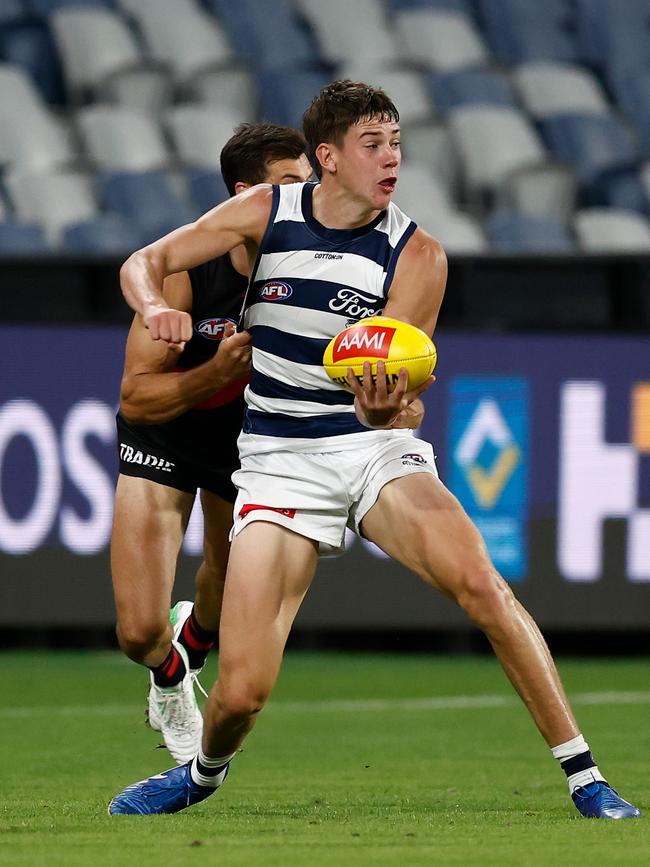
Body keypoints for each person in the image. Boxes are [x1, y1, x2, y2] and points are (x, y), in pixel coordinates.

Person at [108, 81, 640, 820]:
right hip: (278, 461)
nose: (392, 158)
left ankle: (586, 776)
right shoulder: (265, 213)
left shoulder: (417, 254)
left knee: (482, 585)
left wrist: (388, 403)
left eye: (395, 142)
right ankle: (202, 773)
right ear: (327, 157)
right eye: (373, 144)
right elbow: (145, 258)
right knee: (242, 691)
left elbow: (400, 386)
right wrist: (158, 305)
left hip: (369, 449)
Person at [111, 122, 313, 764]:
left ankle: (192, 644)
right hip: (166, 433)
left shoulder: (314, 266)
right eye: (288, 186)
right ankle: (170, 677)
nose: (303, 199)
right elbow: (136, 397)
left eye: (308, 185)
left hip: (249, 441)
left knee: (226, 591)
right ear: (246, 194)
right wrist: (216, 372)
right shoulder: (190, 270)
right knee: (139, 631)